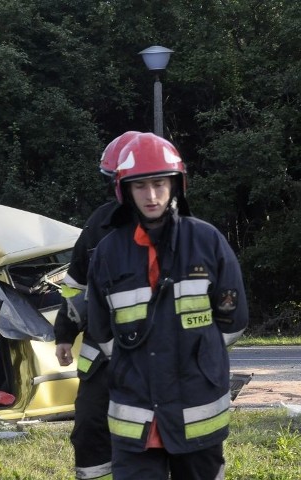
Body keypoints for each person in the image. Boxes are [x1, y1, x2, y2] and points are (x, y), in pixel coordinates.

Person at [87, 133, 248, 479]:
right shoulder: (108, 253)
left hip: (197, 412)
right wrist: (137, 366)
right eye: (140, 186)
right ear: (124, 190)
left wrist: (199, 356)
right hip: (136, 418)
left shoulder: (207, 242)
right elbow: (100, 327)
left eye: (159, 184)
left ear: (176, 185)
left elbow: (233, 320)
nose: (151, 195)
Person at [54, 131, 140, 480]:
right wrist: (64, 333)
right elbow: (74, 287)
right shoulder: (99, 224)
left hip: (150, 358)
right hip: (100, 362)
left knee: (144, 436)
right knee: (89, 429)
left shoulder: (173, 229)